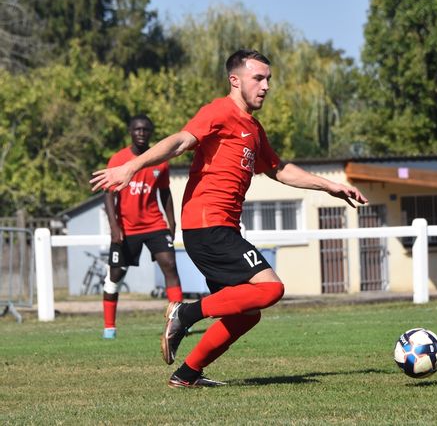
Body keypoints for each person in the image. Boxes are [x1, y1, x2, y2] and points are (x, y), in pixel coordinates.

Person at [91, 49, 367, 387]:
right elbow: (180, 142)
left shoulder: (253, 127)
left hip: (217, 228)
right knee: (270, 288)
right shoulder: (219, 111)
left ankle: (187, 375)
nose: (265, 86)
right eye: (258, 78)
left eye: (268, 80)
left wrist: (330, 186)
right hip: (209, 225)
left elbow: (279, 169)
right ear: (234, 80)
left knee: (246, 315)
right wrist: (131, 166)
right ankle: (184, 313)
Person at [101, 115, 183, 340]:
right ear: (130, 131)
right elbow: (108, 196)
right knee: (116, 275)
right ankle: (109, 327)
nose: (141, 133)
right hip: (126, 228)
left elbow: (164, 193)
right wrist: (114, 226)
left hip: (154, 224)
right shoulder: (118, 159)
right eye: (137, 129)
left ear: (150, 133)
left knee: (170, 265)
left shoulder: (160, 159)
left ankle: (177, 322)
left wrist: (171, 221)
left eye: (146, 130)